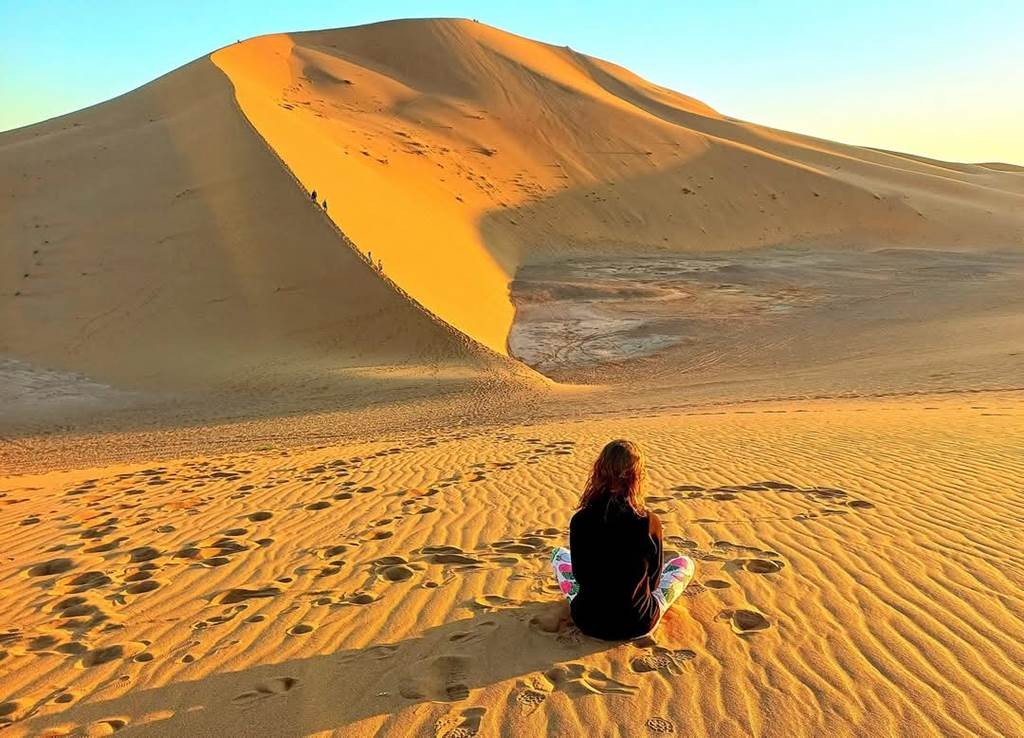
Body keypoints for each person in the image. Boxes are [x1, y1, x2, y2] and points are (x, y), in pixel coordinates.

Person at [551, 440, 694, 640]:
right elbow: (653, 582)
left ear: (599, 472)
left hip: (588, 621)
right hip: (639, 622)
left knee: (558, 554)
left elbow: (579, 576)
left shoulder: (581, 520)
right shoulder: (649, 521)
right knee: (685, 564)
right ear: (637, 476)